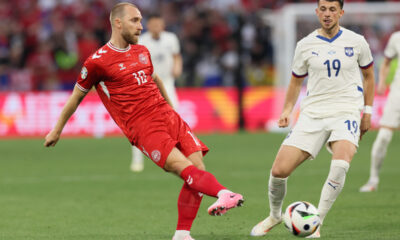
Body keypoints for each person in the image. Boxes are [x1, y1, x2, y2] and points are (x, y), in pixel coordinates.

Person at [43, 3, 244, 240]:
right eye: (135, 21)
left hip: (167, 116)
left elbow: (156, 78)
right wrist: (56, 131)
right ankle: (224, 192)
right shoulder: (97, 62)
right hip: (144, 127)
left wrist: (172, 110)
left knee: (198, 168)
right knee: (185, 170)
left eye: (141, 20)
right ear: (118, 23)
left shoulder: (142, 51)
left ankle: (182, 234)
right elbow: (76, 97)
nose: (141, 26)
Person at [250, 0, 375, 238]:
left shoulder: (357, 42)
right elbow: (296, 81)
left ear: (341, 13)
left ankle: (316, 223)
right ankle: (275, 215)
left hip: (347, 111)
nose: (327, 14)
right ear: (317, 12)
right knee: (279, 170)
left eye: (332, 10)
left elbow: (369, 76)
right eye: (323, 10)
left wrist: (367, 111)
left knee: (341, 164)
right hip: (313, 113)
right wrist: (287, 109)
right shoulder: (305, 45)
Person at [130, 13, 183, 172]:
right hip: (147, 85)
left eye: (159, 25)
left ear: (163, 25)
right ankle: (137, 160)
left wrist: (177, 66)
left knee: (175, 119)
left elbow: (176, 56)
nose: (156, 28)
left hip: (167, 83)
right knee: (139, 124)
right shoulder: (141, 40)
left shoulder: (171, 39)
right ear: (149, 26)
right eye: (153, 25)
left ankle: (178, 157)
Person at [359, 31, 400, 192]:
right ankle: (373, 180)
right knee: (383, 136)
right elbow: (386, 61)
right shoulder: (396, 38)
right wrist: (382, 82)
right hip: (397, 94)